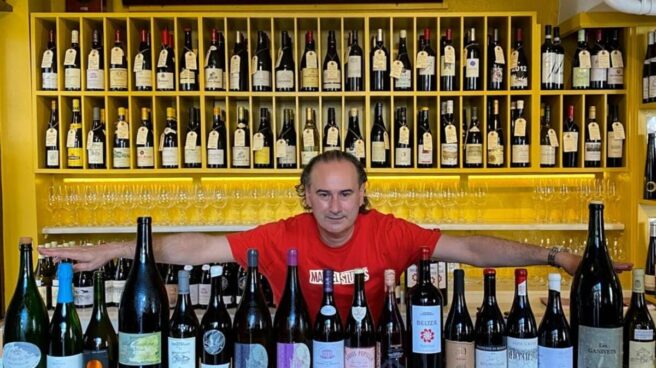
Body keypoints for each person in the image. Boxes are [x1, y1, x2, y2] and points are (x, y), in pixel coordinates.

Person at [40, 150, 629, 321]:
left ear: (364, 194)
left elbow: (473, 249)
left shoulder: (391, 233)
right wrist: (117, 249)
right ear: (305, 197)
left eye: (346, 194)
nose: (335, 207)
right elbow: (196, 247)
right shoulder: (282, 235)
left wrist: (559, 256)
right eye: (322, 194)